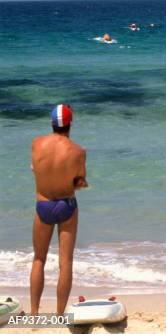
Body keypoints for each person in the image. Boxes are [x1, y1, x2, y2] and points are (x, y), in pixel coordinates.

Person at [30, 104, 87, 315]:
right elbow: (79, 182)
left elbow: (35, 168)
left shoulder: (36, 144)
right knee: (65, 263)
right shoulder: (78, 151)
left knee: (38, 259)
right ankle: (59, 315)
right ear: (70, 123)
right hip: (66, 206)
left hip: (43, 204)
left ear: (52, 123)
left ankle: (35, 314)